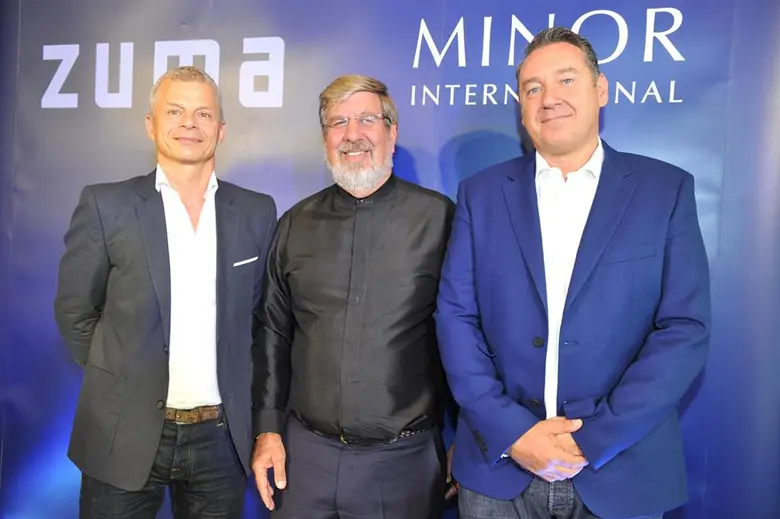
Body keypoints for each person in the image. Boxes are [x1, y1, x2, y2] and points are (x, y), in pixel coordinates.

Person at [435, 27, 711, 519]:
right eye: (533, 88)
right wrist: (513, 432)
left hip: (622, 470)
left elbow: (684, 328)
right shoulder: (480, 194)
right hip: (501, 472)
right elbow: (456, 318)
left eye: (566, 80)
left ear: (600, 90)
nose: (549, 98)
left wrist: (595, 438)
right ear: (521, 106)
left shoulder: (664, 191)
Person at [53, 65, 278, 518]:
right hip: (121, 434)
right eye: (174, 111)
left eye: (203, 113)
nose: (189, 123)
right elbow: (75, 314)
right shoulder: (106, 205)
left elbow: (262, 323)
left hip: (221, 441)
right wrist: (121, 380)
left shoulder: (257, 211)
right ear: (151, 124)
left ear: (221, 129)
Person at [251, 74, 457, 519]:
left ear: (391, 132)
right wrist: (267, 430)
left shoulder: (439, 220)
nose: (352, 135)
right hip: (304, 462)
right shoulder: (294, 224)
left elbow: (465, 335)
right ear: (325, 138)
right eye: (338, 122)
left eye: (367, 119)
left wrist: (466, 438)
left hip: (404, 464)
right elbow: (272, 333)